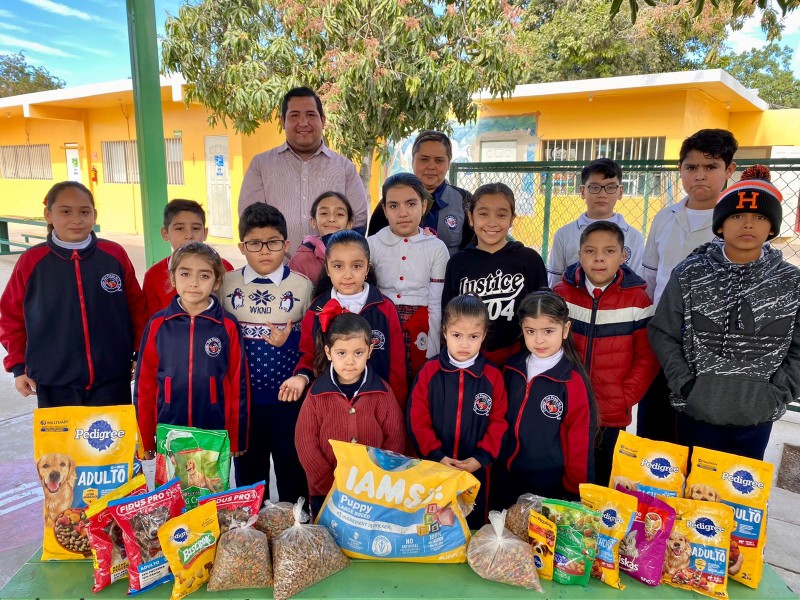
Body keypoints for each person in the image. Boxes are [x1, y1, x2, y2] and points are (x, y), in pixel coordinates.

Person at [648, 167, 800, 461]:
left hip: (757, 412)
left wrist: (776, 394)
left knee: (740, 498)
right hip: (697, 410)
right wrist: (687, 386)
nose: (748, 225)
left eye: (759, 217)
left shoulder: (791, 282)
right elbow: (662, 331)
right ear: (720, 225)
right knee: (691, 494)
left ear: (771, 227)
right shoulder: (690, 273)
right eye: (737, 216)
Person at [0, 181, 147, 407]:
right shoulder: (31, 262)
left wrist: (140, 352)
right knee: (62, 443)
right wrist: (18, 367)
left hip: (112, 378)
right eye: (65, 211)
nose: (76, 219)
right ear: (48, 215)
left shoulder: (114, 254)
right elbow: (11, 317)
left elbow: (137, 308)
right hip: (53, 381)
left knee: (110, 442)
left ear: (94, 215)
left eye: (84, 211)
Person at [638, 129, 738, 442]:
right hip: (661, 341)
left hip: (710, 348)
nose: (699, 176)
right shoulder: (664, 218)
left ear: (729, 170)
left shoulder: (739, 222)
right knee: (654, 432)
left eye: (711, 167)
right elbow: (650, 280)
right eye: (691, 167)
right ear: (680, 170)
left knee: (698, 435)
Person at [553, 221, 659, 485]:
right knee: (564, 476)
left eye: (609, 251)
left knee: (601, 481)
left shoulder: (638, 301)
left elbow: (646, 359)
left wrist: (625, 397)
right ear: (579, 255)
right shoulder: (561, 295)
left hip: (610, 414)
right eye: (590, 251)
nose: (599, 257)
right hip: (566, 409)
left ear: (624, 256)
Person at [220, 203, 313, 496]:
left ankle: (294, 535)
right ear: (241, 246)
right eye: (254, 243)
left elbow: (313, 342)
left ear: (285, 245)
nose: (264, 250)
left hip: (289, 403)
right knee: (248, 478)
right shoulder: (225, 284)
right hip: (244, 403)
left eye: (273, 242)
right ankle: (251, 534)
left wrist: (291, 341)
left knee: (292, 473)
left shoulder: (302, 286)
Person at [134, 242, 249, 458]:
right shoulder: (159, 324)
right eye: (185, 274)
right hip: (169, 429)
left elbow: (237, 383)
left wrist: (237, 435)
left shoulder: (227, 326)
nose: (194, 283)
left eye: (204, 276)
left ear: (217, 281)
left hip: (213, 430)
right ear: (172, 278)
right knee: (171, 491)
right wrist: (145, 437)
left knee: (211, 489)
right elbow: (145, 384)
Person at [407, 294, 508, 528]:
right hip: (434, 468)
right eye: (456, 335)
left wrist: (480, 459)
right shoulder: (429, 372)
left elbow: (499, 423)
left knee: (471, 527)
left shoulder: (493, 377)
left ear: (483, 335)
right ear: (444, 332)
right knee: (434, 526)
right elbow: (417, 420)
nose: (464, 344)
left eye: (473, 336)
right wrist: (436, 456)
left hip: (476, 471)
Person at [491, 291, 596, 507]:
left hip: (549, 485)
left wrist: (575, 492)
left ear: (565, 329)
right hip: (506, 478)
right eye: (531, 331)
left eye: (548, 331)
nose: (539, 340)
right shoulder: (511, 368)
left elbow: (579, 441)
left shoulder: (571, 379)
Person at [279, 230, 408, 407]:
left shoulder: (385, 309)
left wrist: (396, 407)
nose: (348, 275)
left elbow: (397, 367)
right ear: (327, 269)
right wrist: (301, 377)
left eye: (356, 266)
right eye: (338, 266)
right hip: (330, 405)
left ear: (367, 268)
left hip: (377, 405)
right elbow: (309, 355)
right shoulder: (316, 310)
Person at [295, 311, 405, 517]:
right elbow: (306, 443)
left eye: (358, 353)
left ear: (370, 351)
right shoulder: (317, 394)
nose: (350, 361)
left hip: (373, 493)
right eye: (341, 353)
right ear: (328, 353)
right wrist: (328, 484)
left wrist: (378, 481)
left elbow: (395, 440)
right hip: (326, 492)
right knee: (329, 543)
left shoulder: (382, 392)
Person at [238, 86, 368, 251]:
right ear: (282, 121)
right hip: (277, 272)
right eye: (294, 115)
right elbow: (249, 221)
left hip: (331, 273)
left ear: (323, 120)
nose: (303, 122)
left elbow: (359, 221)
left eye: (310, 115)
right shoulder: (261, 165)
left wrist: (336, 264)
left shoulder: (344, 168)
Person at [442, 182, 548, 367]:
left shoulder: (529, 260)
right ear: (470, 217)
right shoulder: (458, 263)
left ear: (512, 219)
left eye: (501, 214)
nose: (492, 222)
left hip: (519, 359)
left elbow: (542, 312)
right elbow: (448, 316)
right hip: (469, 358)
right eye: (483, 214)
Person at [368, 173, 449, 379]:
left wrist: (433, 349)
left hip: (421, 323)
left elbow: (436, 299)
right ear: (385, 210)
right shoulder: (371, 245)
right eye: (393, 206)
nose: (402, 212)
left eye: (411, 204)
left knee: (418, 382)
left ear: (423, 205)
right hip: (381, 321)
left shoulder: (436, 247)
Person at [368, 130, 474, 255]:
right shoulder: (391, 202)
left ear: (448, 163)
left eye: (439, 160)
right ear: (413, 160)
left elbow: (473, 250)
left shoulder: (464, 200)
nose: (431, 166)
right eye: (424, 159)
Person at [546, 158, 645, 288]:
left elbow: (636, 282)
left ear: (620, 191)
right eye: (594, 187)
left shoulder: (634, 237)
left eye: (610, 187)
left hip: (619, 308)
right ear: (582, 191)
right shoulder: (564, 234)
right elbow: (555, 282)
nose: (602, 194)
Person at [142, 199, 235, 316]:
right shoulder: (153, 275)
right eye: (180, 228)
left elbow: (231, 310)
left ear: (205, 233)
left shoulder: (224, 267)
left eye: (196, 228)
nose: (189, 235)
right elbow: (151, 322)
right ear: (165, 234)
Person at [287, 191, 353, 286]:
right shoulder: (301, 258)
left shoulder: (358, 253)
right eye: (324, 213)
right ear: (314, 222)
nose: (331, 219)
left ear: (349, 224)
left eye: (339, 214)